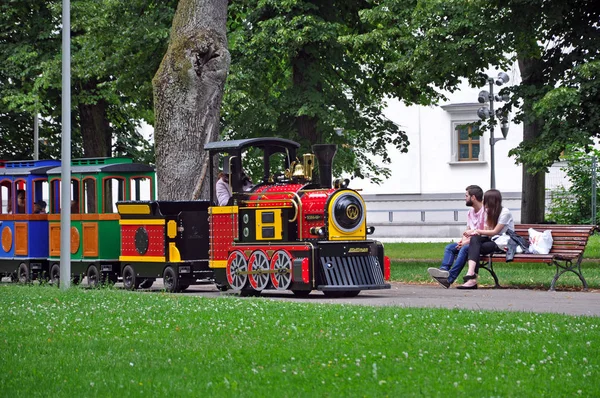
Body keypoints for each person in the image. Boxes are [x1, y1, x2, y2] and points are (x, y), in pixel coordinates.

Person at [427, 185, 485, 288]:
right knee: (450, 247)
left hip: (481, 242)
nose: (465, 198)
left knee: (465, 249)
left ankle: (449, 279)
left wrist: (465, 243)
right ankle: (443, 271)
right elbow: (467, 230)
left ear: (473, 197)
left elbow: (483, 233)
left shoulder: (485, 212)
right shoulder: (470, 212)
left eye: (466, 196)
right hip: (470, 241)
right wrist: (462, 242)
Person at [457, 189, 515, 289]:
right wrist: (474, 235)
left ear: (491, 201)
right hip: (491, 240)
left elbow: (494, 232)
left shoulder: (505, 213)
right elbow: (487, 231)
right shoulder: (488, 212)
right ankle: (471, 272)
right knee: (475, 241)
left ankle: (472, 280)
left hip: (502, 243)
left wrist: (476, 231)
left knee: (475, 245)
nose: (483, 202)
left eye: (486, 200)